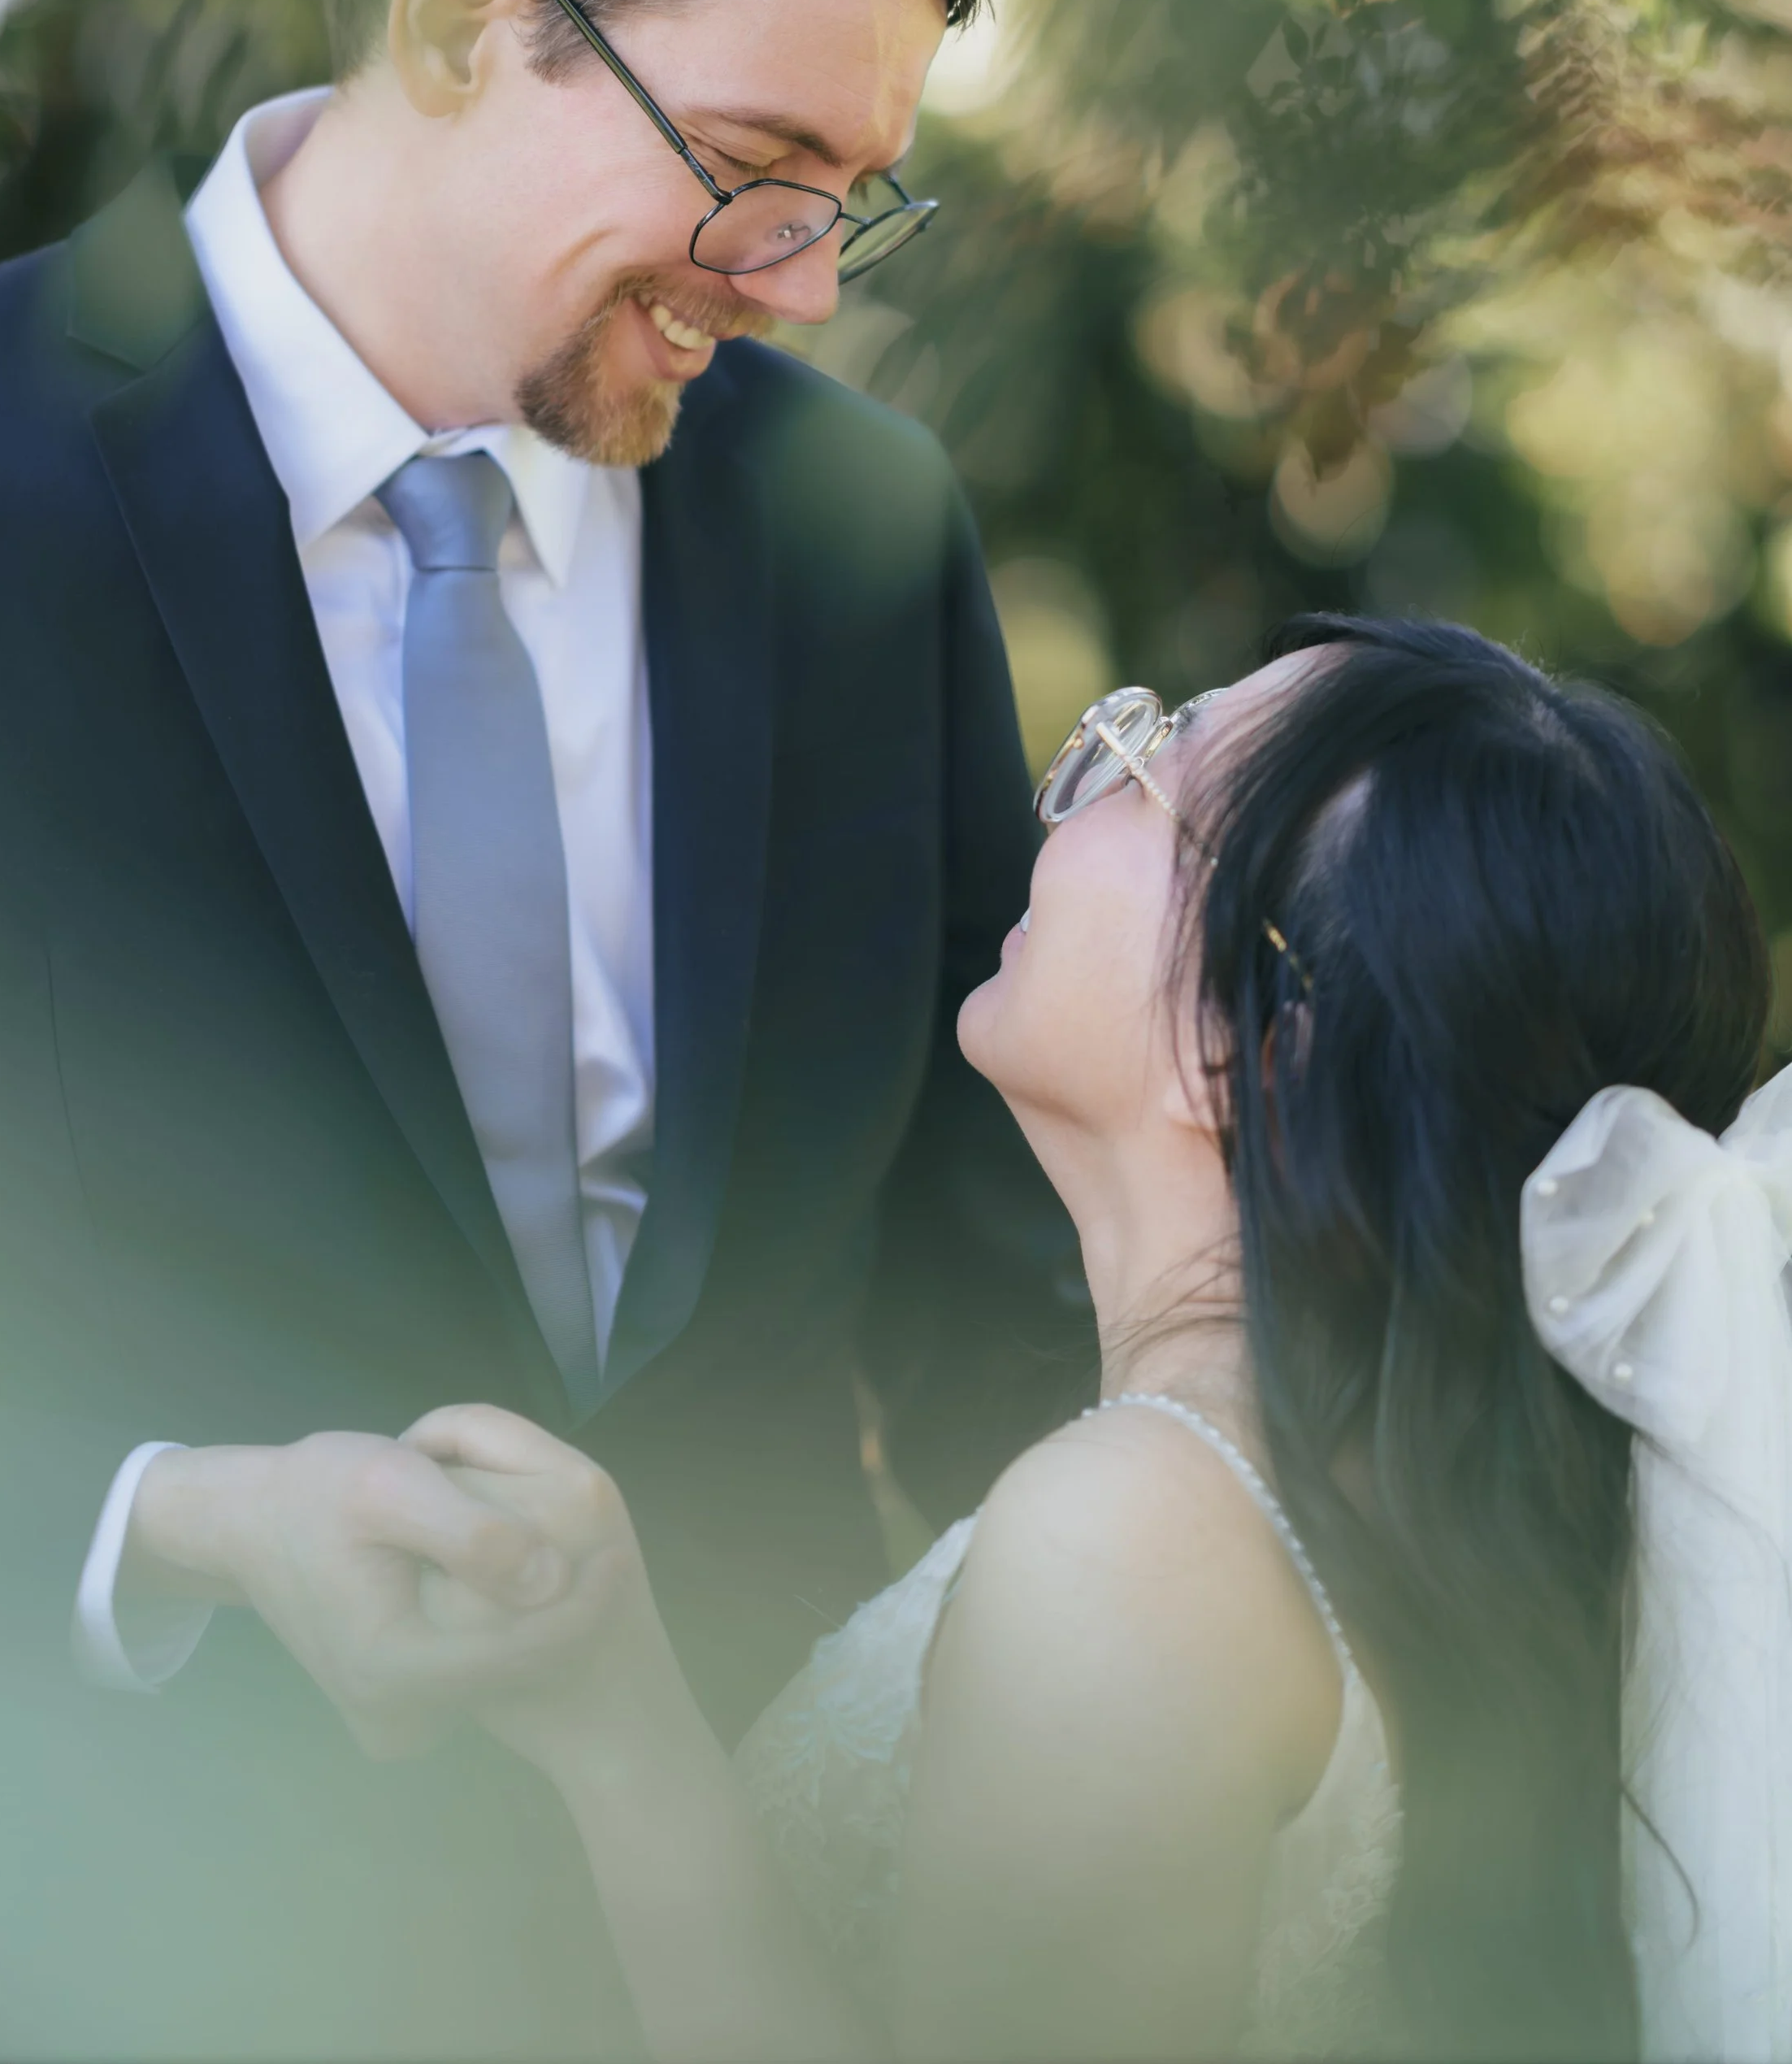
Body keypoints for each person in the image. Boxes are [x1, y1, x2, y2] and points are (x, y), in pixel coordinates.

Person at [0, 0, 1086, 2061]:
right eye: (758, 172)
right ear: (467, 19)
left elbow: (1007, 1313)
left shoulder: (864, 533)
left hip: (742, 1960)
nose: (796, 288)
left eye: (854, 206)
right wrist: (185, 1523)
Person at [370, 615, 1790, 2063]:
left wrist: (615, 1732)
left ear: (1247, 1042)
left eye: (1153, 757)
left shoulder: (1130, 1538)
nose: (1077, 789)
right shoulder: (1428, 1505)